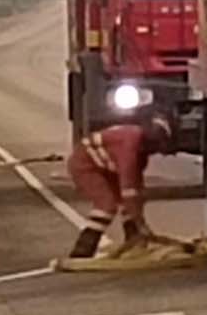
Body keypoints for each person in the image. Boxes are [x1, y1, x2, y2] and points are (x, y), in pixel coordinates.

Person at [66, 109, 178, 259]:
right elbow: (128, 187)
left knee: (129, 202)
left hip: (106, 167)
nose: (155, 152)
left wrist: (139, 220)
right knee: (106, 205)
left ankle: (132, 239)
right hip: (85, 165)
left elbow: (136, 189)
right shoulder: (129, 146)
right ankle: (83, 249)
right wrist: (140, 224)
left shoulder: (140, 151)